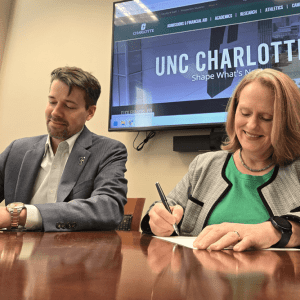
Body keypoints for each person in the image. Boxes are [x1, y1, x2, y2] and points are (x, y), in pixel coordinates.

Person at [141, 68, 300, 251]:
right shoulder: (204, 165)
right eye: (245, 113)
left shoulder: (296, 168)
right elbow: (166, 208)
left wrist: (273, 231)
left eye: (266, 118)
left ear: (287, 122)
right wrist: (158, 219)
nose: (252, 125)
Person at [0, 66, 127, 231]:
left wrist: (18, 215)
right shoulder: (17, 150)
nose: (56, 112)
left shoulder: (108, 151)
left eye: (69, 106)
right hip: (16, 252)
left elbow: (108, 208)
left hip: (71, 253)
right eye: (52, 102)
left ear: (90, 112)